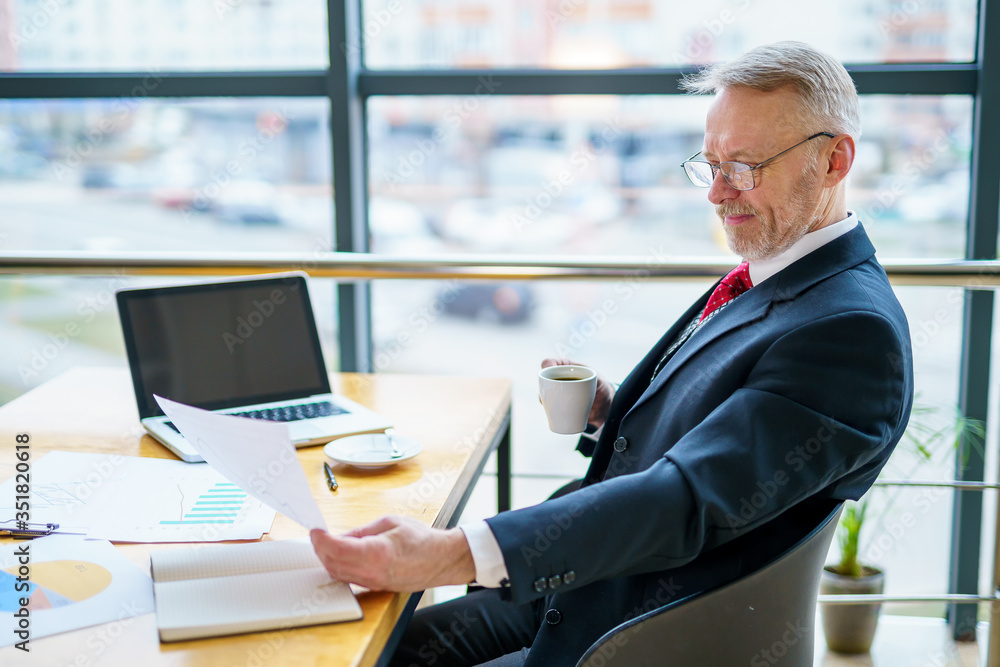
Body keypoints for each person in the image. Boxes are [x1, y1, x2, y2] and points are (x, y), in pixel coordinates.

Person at [309, 41, 915, 667]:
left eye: (745, 166)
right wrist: (612, 411)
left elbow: (688, 499)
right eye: (711, 165)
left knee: (370, 652)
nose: (717, 193)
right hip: (592, 587)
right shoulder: (781, 269)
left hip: (639, 631)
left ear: (834, 160)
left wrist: (450, 552)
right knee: (374, 647)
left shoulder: (850, 332)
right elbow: (725, 437)